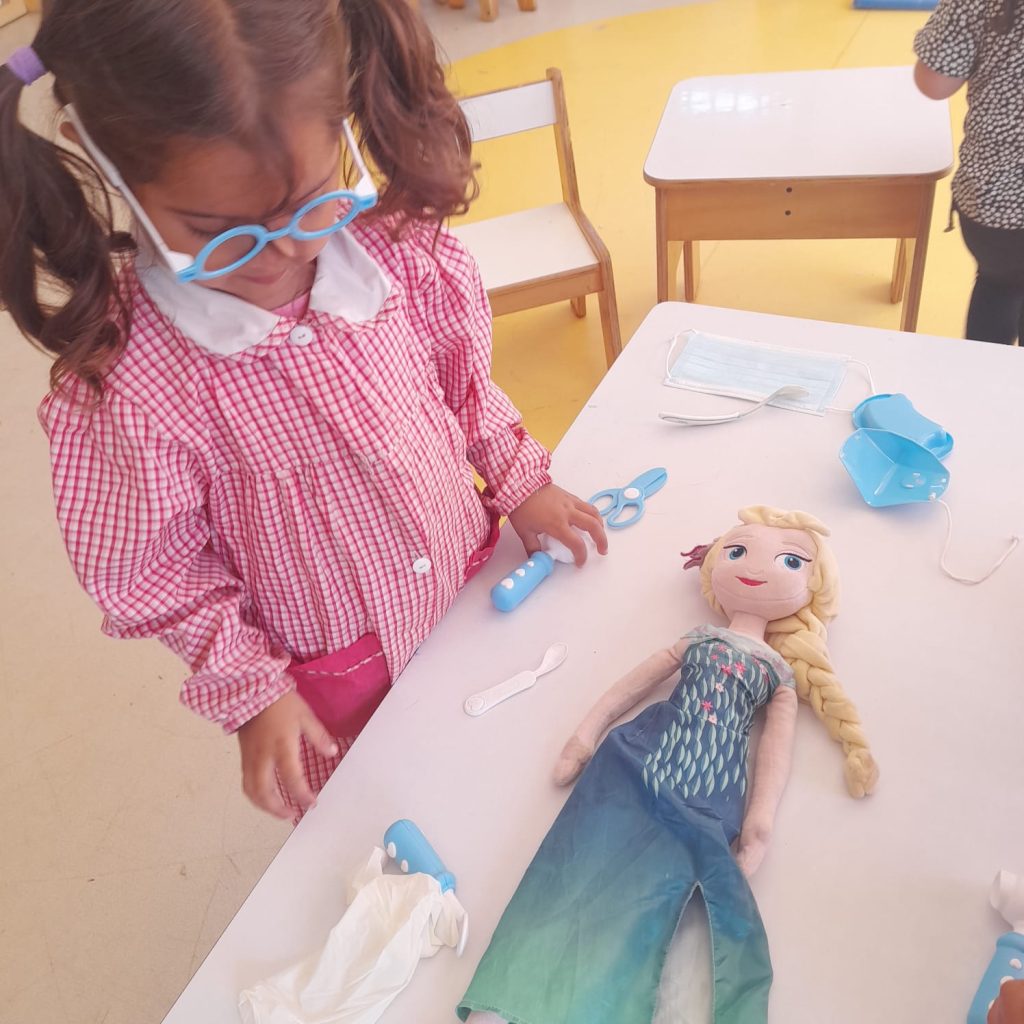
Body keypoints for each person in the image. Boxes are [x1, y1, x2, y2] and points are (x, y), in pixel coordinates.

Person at [0, 0, 606, 821]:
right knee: (405, 828)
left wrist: (517, 476)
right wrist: (250, 690)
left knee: (519, 787)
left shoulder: (394, 250)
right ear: (100, 154)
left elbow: (462, 384)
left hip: (473, 598)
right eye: (219, 231)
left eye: (315, 198)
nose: (286, 251)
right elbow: (156, 570)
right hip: (339, 690)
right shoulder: (129, 383)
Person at [459, 507, 877, 1024]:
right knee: (570, 865)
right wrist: (584, 737)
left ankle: (590, 1007)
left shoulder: (778, 673)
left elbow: (776, 749)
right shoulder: (697, 640)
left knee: (646, 906)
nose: (756, 567)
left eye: (791, 561)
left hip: (708, 794)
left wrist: (760, 822)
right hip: (635, 761)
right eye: (738, 551)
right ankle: (505, 994)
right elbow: (632, 685)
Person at [914, 0, 1024, 344]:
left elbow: (933, 84)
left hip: (995, 204)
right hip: (1000, 203)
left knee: (998, 286)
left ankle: (984, 376)